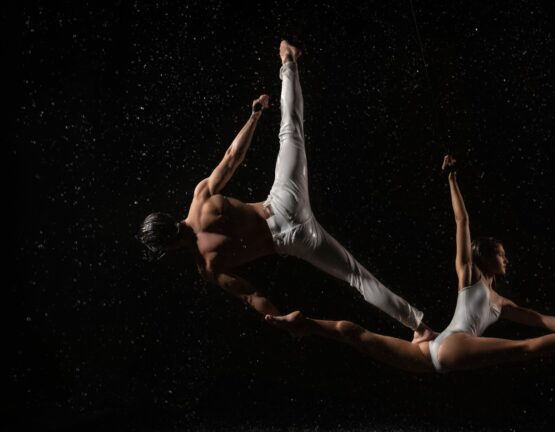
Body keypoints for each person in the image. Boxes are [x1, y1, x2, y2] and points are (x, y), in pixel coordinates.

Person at [138, 40, 435, 343]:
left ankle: (420, 327)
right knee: (290, 130)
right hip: (282, 203)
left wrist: (277, 317)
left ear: (167, 248)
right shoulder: (200, 199)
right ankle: (289, 62)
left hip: (293, 241)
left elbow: (251, 295)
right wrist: (254, 116)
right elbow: (233, 157)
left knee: (356, 277)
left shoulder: (208, 266)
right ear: (167, 218)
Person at [265, 155, 555, 373]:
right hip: (450, 346)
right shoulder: (470, 276)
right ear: (484, 257)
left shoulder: (503, 303)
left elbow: (543, 320)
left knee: (356, 335)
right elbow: (462, 222)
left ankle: (304, 324)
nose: (506, 259)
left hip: (428, 350)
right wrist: (452, 179)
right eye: (500, 254)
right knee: (524, 349)